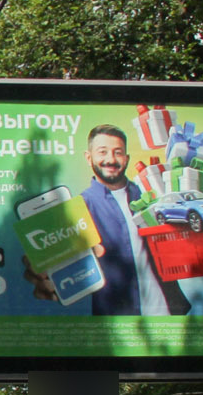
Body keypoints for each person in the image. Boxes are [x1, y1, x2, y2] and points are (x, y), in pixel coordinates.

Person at [27, 123, 190, 316]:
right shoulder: (79, 209)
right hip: (118, 324)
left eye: (118, 152)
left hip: (168, 315)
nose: (110, 159)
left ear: (127, 158)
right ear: (89, 158)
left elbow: (186, 220)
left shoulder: (148, 193)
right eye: (102, 152)